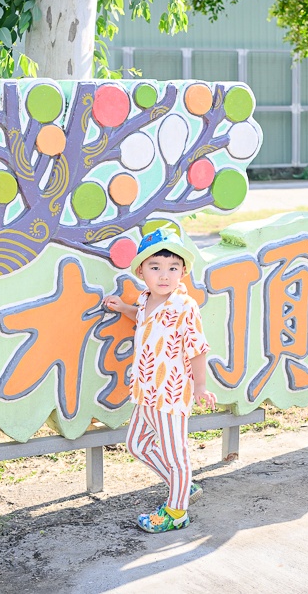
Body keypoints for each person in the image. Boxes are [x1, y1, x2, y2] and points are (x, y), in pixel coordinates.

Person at [103, 225, 217, 532]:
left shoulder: (184, 306)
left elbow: (197, 348)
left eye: (173, 268)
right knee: (137, 444)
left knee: (174, 454)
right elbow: (141, 318)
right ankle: (183, 487)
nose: (164, 275)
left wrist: (202, 386)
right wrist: (123, 307)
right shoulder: (144, 300)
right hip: (145, 390)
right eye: (156, 267)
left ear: (182, 272)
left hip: (170, 394)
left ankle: (176, 512)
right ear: (142, 271)